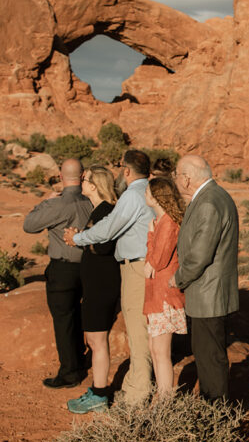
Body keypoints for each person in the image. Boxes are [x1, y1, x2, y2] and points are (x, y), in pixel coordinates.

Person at [66, 150, 155, 405]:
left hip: (135, 267)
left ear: (126, 171)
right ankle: (133, 385)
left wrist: (78, 238)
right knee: (139, 329)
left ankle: (138, 394)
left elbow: (109, 229)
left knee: (138, 331)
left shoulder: (132, 195)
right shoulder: (145, 191)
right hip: (137, 266)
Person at [173, 155, 239, 401]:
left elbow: (199, 255)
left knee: (209, 356)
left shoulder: (208, 202)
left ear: (187, 178)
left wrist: (178, 279)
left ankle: (217, 415)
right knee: (208, 354)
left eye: (177, 174)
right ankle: (214, 408)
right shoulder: (213, 196)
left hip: (208, 295)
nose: (176, 179)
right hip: (209, 293)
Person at [24, 158, 92, 388]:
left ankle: (70, 372)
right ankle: (80, 361)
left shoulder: (58, 204)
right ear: (82, 176)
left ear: (61, 177)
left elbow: (29, 225)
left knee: (64, 319)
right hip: (87, 268)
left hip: (62, 269)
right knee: (78, 315)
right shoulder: (91, 202)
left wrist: (44, 202)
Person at [67, 166, 120, 414]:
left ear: (94, 184)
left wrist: (80, 238)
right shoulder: (100, 211)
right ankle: (97, 390)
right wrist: (83, 236)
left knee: (98, 341)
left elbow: (104, 247)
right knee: (95, 339)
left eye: (85, 179)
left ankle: (99, 394)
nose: (81, 181)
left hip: (101, 285)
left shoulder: (106, 211)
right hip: (97, 284)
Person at [143, 176, 187, 396]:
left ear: (156, 196)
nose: (145, 195)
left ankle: (165, 401)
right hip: (157, 294)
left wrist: (150, 236)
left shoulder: (167, 223)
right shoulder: (162, 221)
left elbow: (158, 261)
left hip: (164, 296)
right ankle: (163, 398)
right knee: (155, 349)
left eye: (148, 192)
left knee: (161, 351)